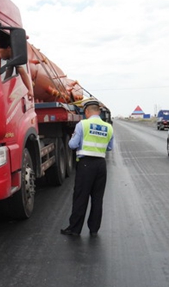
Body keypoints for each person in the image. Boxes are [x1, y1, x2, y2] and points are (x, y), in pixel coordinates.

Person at [61, 99, 114, 237]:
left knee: (81, 197)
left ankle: (74, 229)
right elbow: (109, 147)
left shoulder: (82, 125)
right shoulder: (108, 127)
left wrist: (75, 138)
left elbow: (72, 145)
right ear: (99, 112)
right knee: (97, 198)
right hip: (101, 166)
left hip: (86, 165)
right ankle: (94, 229)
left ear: (87, 111)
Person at [0, 33, 34, 100]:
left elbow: (22, 73)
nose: (15, 54)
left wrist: (30, 90)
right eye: (14, 51)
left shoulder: (10, 59)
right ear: (9, 48)